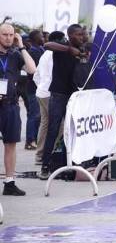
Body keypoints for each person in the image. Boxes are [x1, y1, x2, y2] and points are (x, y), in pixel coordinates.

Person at [40, 24, 88, 178]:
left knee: (74, 130)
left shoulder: (82, 49)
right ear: (70, 35)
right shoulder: (62, 46)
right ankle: (45, 166)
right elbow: (47, 44)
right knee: (53, 129)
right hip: (59, 94)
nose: (81, 37)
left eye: (82, 34)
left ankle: (73, 163)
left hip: (75, 95)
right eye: (78, 34)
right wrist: (68, 49)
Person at [0, 23, 36, 195]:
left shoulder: (15, 54)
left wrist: (21, 45)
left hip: (10, 105)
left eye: (11, 35)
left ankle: (9, 182)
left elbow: (32, 69)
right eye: (4, 34)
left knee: (11, 144)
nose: (8, 38)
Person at [33, 31, 64, 165]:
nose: (65, 41)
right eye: (63, 39)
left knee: (45, 124)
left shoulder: (45, 54)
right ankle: (49, 154)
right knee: (58, 125)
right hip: (50, 94)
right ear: (57, 41)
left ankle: (40, 155)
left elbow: (36, 76)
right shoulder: (54, 55)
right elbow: (54, 76)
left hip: (41, 92)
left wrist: (41, 87)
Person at [24, 30, 45, 150]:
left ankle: (35, 139)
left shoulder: (41, 50)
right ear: (35, 39)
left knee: (38, 115)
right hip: (33, 88)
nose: (43, 38)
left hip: (40, 88)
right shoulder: (32, 52)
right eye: (41, 36)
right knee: (34, 115)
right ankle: (30, 140)